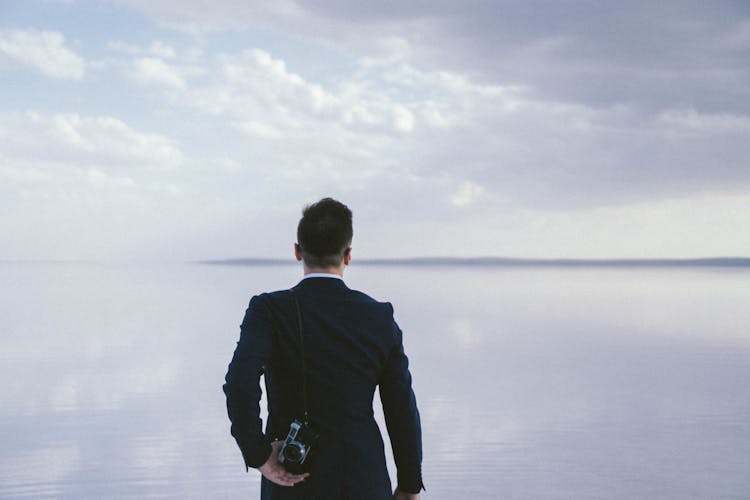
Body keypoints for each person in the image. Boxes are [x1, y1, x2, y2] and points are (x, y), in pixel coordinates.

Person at [223, 198, 424, 500]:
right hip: (363, 481)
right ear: (348, 255)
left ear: (297, 251)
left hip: (292, 480)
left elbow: (239, 383)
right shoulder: (379, 317)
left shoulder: (268, 310)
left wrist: (259, 454)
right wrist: (409, 484)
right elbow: (401, 409)